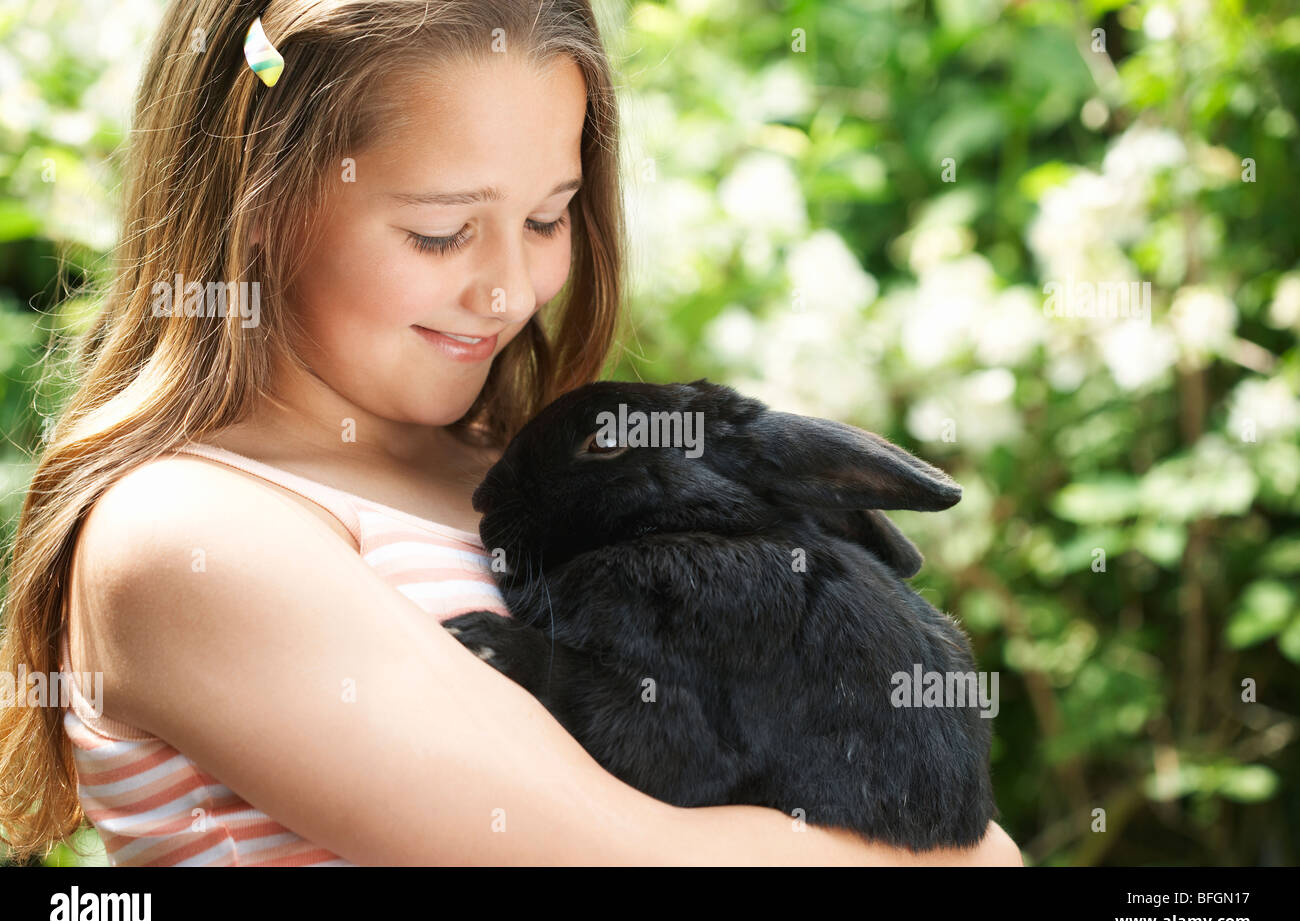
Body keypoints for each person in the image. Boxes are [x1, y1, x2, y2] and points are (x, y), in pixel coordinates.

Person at [0, 0, 1022, 866]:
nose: (507, 291)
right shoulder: (190, 532)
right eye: (439, 230)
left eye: (549, 218)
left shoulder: (532, 473)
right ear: (259, 202)